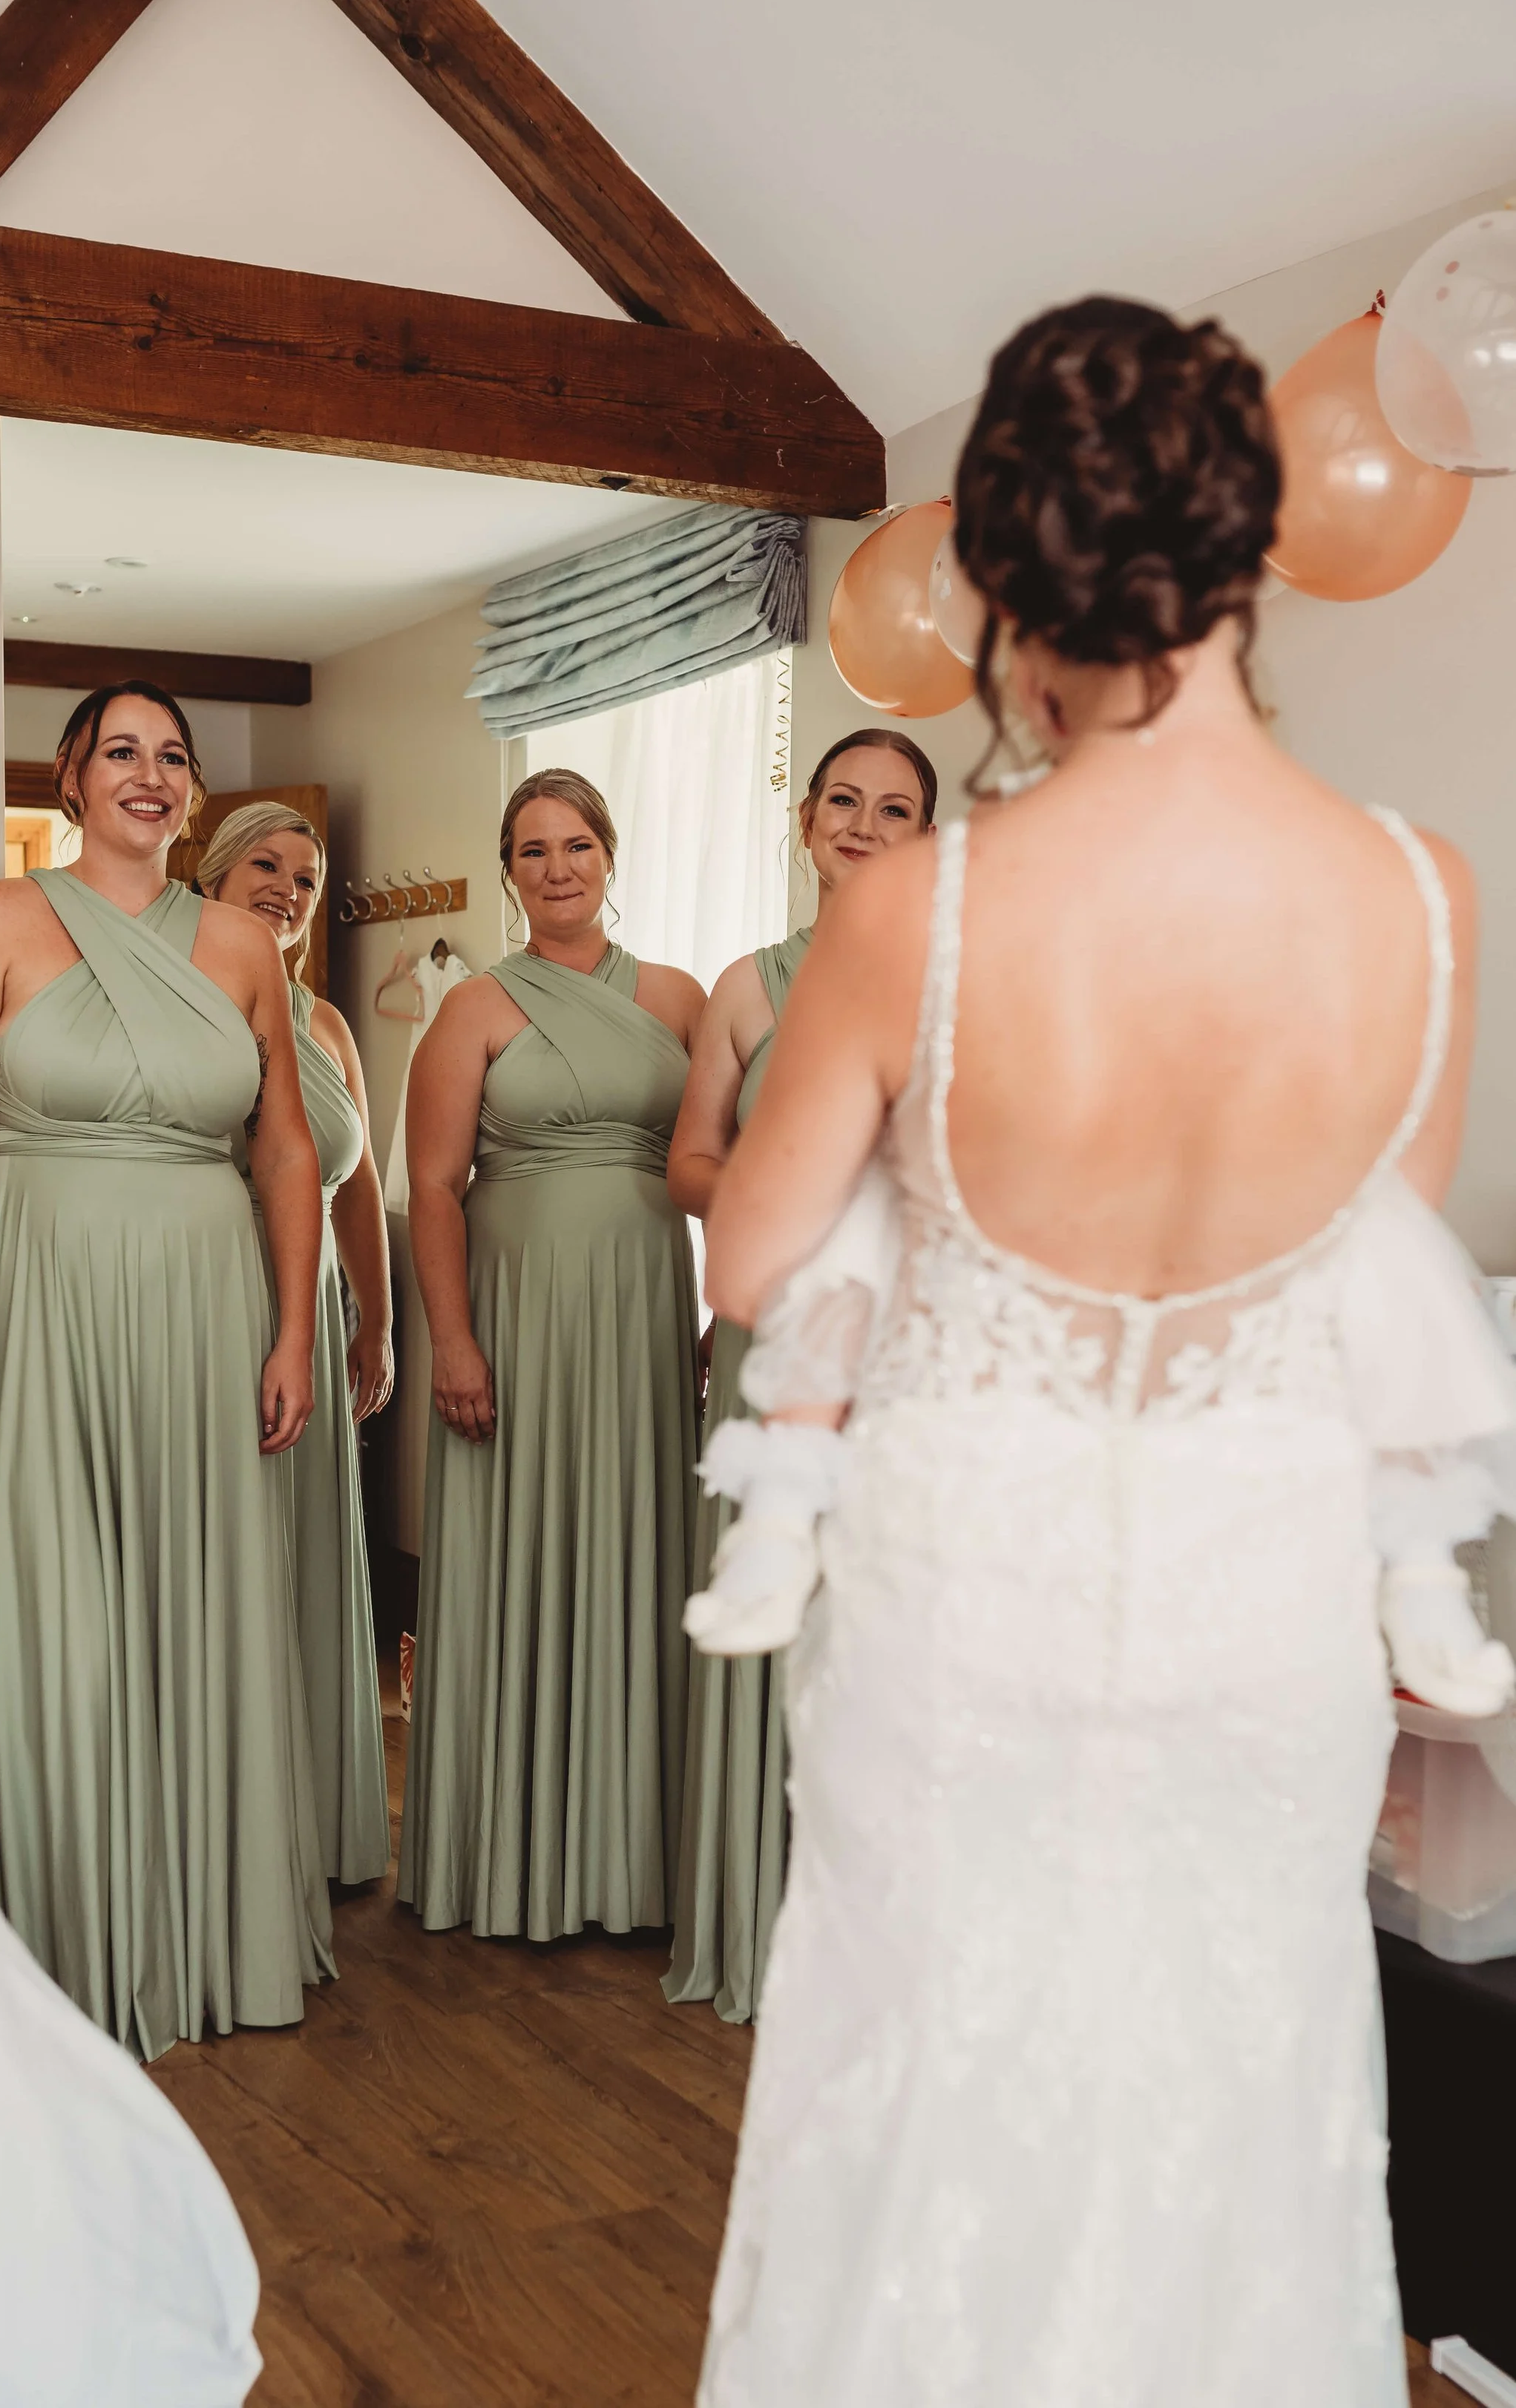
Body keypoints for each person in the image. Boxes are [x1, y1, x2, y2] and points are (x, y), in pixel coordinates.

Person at [697, 299, 1502, 2405]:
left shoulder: (919, 907)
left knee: (936, 2100)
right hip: (1260, 1610)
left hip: (971, 1598)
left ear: (1006, 584)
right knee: (1234, 2091)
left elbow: (755, 1257)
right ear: (1250, 545)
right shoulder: (1420, 897)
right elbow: (1372, 1272)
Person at [0, 680, 334, 2061]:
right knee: (58, 1597)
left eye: (173, 757)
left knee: (201, 1585)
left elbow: (286, 1148)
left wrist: (294, 1329)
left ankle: (204, 1925)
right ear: (71, 775)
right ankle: (57, 1938)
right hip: (41, 1286)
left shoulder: (243, 944)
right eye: (122, 751)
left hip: (205, 1297)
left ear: (191, 793)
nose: (150, 774)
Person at [398, 769, 705, 1939]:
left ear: (611, 856)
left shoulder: (680, 998)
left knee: (636, 1546)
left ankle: (633, 1858)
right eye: (533, 850)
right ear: (509, 872)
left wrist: (730, 1305)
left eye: (577, 844)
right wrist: (454, 1342)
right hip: (515, 1317)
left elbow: (732, 1159)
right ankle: (512, 1852)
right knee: (522, 1553)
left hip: (641, 1313)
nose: (558, 867)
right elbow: (434, 1187)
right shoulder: (473, 1008)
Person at [663, 732, 936, 2024]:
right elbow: (689, 1162)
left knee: (888, 1608)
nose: (865, 824)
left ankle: (884, 1936)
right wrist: (794, 1207)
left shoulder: (960, 982)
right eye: (845, 801)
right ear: (807, 820)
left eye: (896, 808)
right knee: (772, 1599)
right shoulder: (747, 987)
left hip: (907, 1342)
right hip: (776, 1333)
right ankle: (756, 1916)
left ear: (927, 835)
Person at [199, 801, 394, 1886]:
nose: (287, 889)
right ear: (215, 876)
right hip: (215, 1297)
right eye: (265, 867)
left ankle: (308, 1821)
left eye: (307, 879)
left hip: (315, 1310)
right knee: (225, 1547)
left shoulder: (326, 1026)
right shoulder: (181, 999)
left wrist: (378, 1319)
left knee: (307, 1552)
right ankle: (224, 1816)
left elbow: (355, 1183)